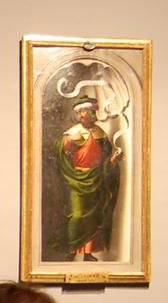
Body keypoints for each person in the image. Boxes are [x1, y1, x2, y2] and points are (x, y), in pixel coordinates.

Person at [51, 97, 122, 260]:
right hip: (77, 181)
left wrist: (113, 160)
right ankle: (71, 251)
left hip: (96, 180)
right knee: (77, 216)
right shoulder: (73, 133)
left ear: (92, 112)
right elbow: (60, 152)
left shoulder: (100, 134)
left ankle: (87, 253)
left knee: (93, 218)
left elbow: (105, 160)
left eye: (83, 111)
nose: (80, 115)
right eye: (78, 112)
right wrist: (68, 142)